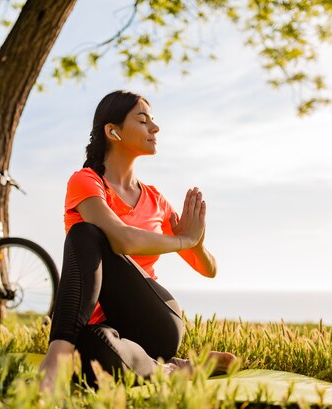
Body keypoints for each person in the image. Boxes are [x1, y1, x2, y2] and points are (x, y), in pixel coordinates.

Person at [38, 90, 236, 391]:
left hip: (154, 322)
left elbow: (209, 269)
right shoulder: (87, 182)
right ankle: (171, 371)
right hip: (101, 328)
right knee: (94, 350)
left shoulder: (156, 201)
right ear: (112, 131)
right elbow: (123, 239)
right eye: (143, 121)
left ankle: (57, 356)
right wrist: (184, 239)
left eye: (153, 122)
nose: (155, 129)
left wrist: (194, 242)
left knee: (85, 232)